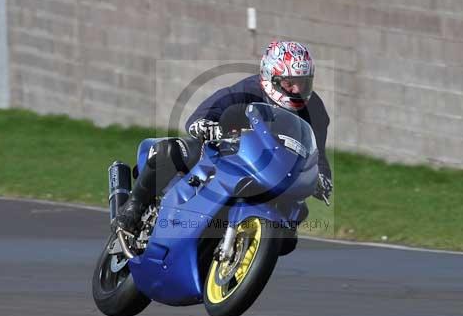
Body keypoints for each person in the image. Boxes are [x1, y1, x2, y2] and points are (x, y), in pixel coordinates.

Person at [115, 40, 333, 238]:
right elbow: (209, 109)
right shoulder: (248, 90)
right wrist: (206, 124)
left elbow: (317, 152)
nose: (297, 89)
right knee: (172, 150)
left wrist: (321, 177)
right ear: (270, 77)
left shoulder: (315, 109)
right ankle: (134, 207)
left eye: (303, 82)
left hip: (272, 169)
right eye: (289, 83)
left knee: (296, 213)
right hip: (230, 154)